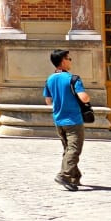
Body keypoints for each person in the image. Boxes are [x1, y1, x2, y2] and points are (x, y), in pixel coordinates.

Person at [43, 49, 90, 191]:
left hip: (58, 120)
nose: (70, 61)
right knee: (74, 150)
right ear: (63, 61)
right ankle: (64, 175)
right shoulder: (73, 79)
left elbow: (48, 101)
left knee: (68, 149)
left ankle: (74, 177)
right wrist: (86, 98)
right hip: (73, 120)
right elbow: (84, 97)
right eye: (69, 58)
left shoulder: (50, 79)